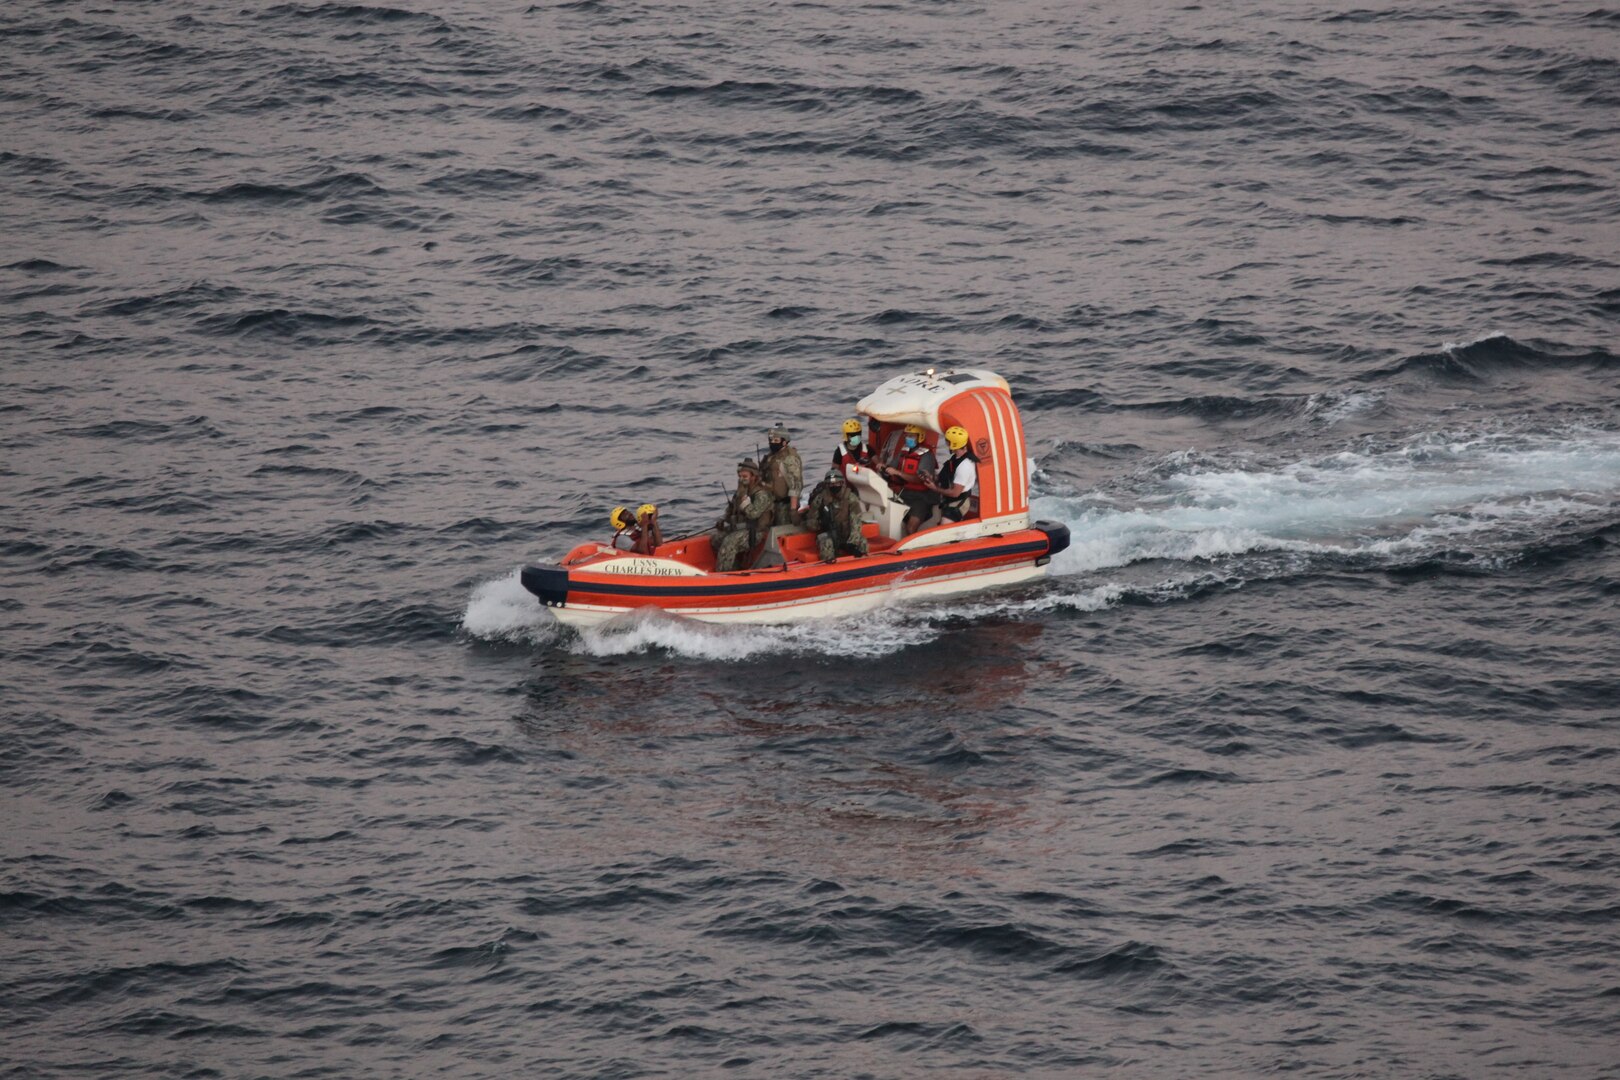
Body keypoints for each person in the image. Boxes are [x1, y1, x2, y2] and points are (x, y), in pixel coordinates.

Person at [711, 459, 775, 571]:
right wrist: (723, 520)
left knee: (729, 542)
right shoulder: (741, 492)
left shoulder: (761, 494)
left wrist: (745, 504)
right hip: (739, 528)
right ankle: (734, 568)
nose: (741, 479)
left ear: (753, 476)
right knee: (716, 539)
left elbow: (754, 514)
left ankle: (723, 574)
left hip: (755, 532)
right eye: (740, 476)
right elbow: (731, 510)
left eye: (744, 477)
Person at [882, 424, 939, 535]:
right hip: (906, 493)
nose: (908, 438)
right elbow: (892, 466)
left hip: (922, 497)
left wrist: (898, 472)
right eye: (907, 435)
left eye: (911, 436)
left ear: (920, 437)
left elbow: (920, 479)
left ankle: (912, 550)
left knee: (911, 527)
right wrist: (884, 468)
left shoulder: (927, 456)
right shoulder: (904, 452)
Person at [803, 468, 868, 563]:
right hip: (828, 534)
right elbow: (810, 522)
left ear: (842, 483)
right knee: (826, 543)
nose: (834, 486)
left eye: (836, 483)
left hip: (847, 534)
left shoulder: (850, 498)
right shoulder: (820, 499)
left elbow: (856, 522)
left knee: (862, 542)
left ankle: (863, 568)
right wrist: (821, 523)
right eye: (830, 484)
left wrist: (852, 543)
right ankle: (829, 570)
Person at [928, 426, 978, 522]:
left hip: (959, 501)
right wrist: (931, 477)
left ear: (953, 444)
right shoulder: (955, 459)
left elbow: (955, 493)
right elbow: (944, 475)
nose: (946, 443)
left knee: (945, 524)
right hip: (949, 500)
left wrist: (935, 489)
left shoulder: (964, 466)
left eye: (947, 441)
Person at [759, 424, 803, 526]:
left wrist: (793, 510)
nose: (772, 443)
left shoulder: (790, 458)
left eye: (776, 440)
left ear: (784, 442)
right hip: (770, 502)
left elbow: (795, 485)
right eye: (771, 440)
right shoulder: (771, 456)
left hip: (784, 505)